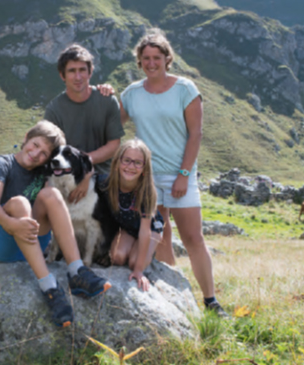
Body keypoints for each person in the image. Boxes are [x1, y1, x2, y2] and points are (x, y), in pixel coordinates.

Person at [119, 29, 227, 316]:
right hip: (149, 179)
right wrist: (102, 94)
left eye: (157, 57)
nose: (151, 63)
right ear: (139, 61)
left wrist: (183, 174)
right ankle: (175, 296)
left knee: (193, 238)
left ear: (168, 59)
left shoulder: (185, 89)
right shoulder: (131, 94)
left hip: (182, 174)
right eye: (145, 58)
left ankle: (210, 300)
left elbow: (196, 134)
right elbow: (110, 124)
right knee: (160, 236)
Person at [0, 120, 112, 328]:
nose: (36, 154)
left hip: (32, 240)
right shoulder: (3, 164)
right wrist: (12, 224)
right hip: (2, 242)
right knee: (20, 203)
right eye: (35, 145)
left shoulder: (42, 171)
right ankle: (49, 287)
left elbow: (80, 161)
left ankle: (76, 271)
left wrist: (87, 177)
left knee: (51, 194)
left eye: (44, 154)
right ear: (26, 138)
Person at [44, 44, 124, 203]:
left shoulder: (107, 100)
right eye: (72, 71)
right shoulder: (54, 110)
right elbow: (52, 151)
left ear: (90, 72)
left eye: (82, 70)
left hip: (104, 175)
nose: (78, 76)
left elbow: (114, 144)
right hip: (69, 175)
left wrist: (85, 166)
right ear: (62, 75)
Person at [99, 139, 163, 292]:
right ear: (117, 162)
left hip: (150, 228)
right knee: (117, 257)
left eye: (137, 163)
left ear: (144, 168)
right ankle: (131, 245)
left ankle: (153, 246)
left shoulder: (146, 191)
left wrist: (139, 270)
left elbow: (145, 230)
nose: (131, 167)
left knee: (134, 263)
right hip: (128, 228)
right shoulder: (106, 183)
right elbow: (88, 177)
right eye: (126, 160)